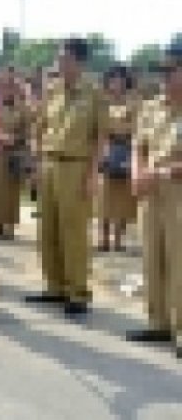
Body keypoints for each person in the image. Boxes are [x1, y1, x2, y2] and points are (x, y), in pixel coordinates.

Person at [27, 37, 106, 316]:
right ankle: (54, 287)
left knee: (73, 231)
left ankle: (77, 292)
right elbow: (38, 126)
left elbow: (100, 137)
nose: (59, 63)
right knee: (47, 229)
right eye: (59, 58)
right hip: (49, 164)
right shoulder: (52, 90)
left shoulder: (94, 93)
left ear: (79, 62)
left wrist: (92, 174)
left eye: (65, 58)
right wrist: (36, 159)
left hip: (76, 166)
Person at [127, 43, 182, 359]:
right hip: (150, 190)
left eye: (170, 71)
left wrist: (160, 173)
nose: (163, 77)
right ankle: (158, 322)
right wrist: (137, 173)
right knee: (152, 257)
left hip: (176, 189)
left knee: (179, 261)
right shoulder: (151, 107)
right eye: (161, 71)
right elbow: (139, 144)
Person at [0, 67, 30, 239]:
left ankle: (10, 225)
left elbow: (29, 130)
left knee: (12, 190)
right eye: (4, 84)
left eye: (11, 84)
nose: (8, 88)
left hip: (14, 152)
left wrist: (15, 138)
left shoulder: (22, 107)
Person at [97, 66, 138, 252]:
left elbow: (135, 128)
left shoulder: (134, 103)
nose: (116, 83)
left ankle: (118, 239)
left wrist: (119, 129)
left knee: (123, 197)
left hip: (126, 150)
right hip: (106, 148)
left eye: (120, 79)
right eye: (113, 79)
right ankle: (103, 238)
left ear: (126, 81)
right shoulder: (102, 103)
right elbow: (99, 128)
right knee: (104, 196)